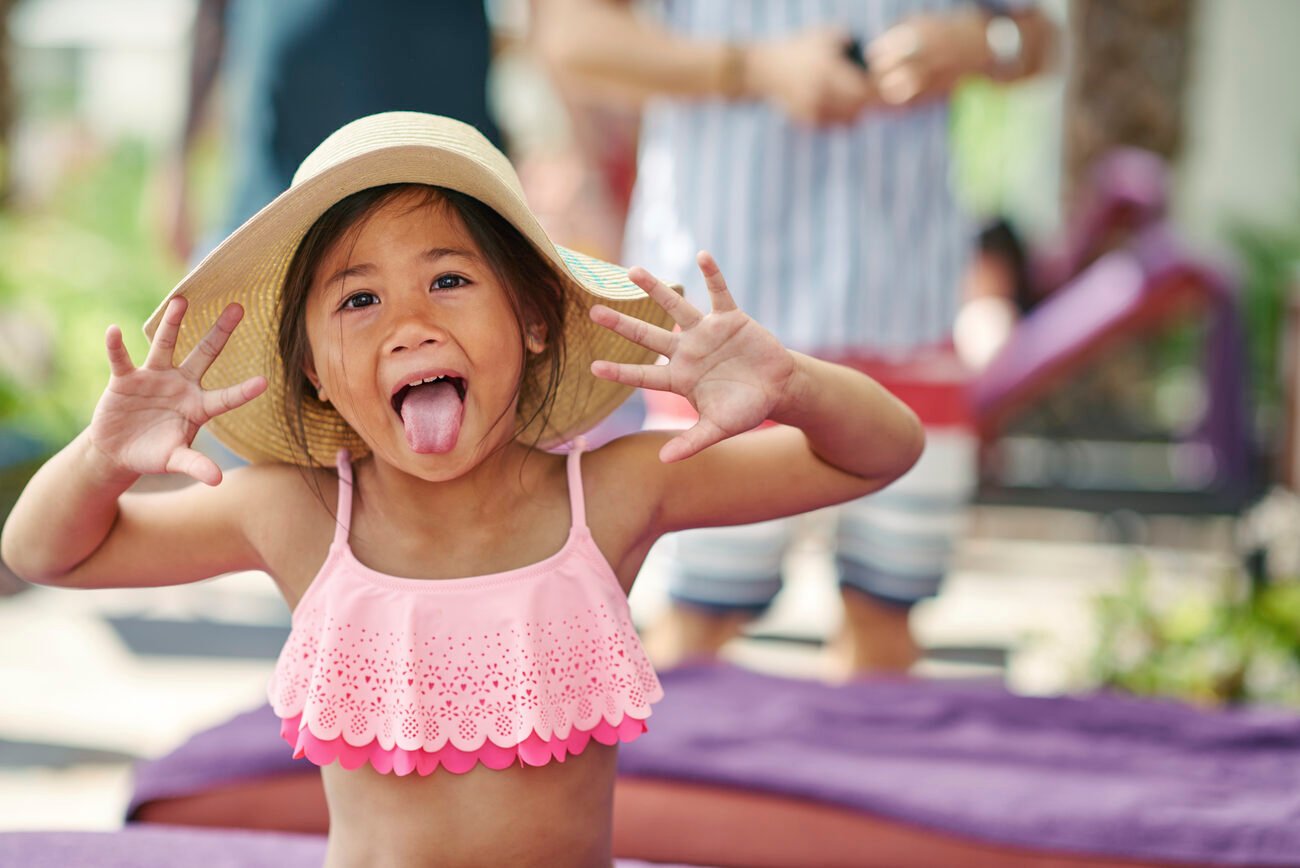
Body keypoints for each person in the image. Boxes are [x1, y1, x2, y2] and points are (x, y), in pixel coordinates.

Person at [0, 113, 922, 867]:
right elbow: (43, 553)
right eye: (358, 300)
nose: (408, 323)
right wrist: (101, 457)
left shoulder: (610, 496)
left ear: (529, 318)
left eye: (447, 279)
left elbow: (877, 453)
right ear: (315, 371)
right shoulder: (298, 511)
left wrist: (791, 383)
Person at [538, 0, 1054, 675]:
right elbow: (570, 37)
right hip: (719, 317)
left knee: (887, 617)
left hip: (907, 302)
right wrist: (755, 69)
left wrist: (980, 43)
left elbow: (1039, 38)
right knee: (699, 618)